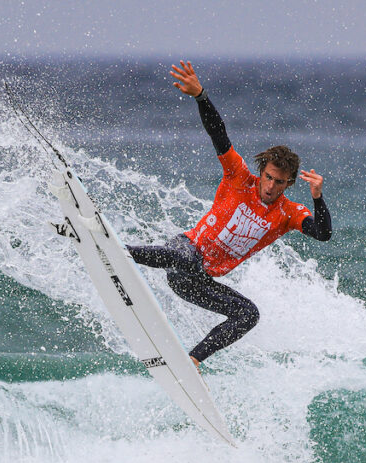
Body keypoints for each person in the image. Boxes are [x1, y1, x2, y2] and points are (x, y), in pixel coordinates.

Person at [127, 61, 332, 368]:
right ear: (262, 172)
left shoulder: (289, 213)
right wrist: (201, 96)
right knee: (187, 256)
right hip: (183, 250)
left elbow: (323, 233)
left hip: (196, 282)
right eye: (269, 178)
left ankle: (192, 361)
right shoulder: (239, 177)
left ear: (289, 184)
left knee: (249, 314)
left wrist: (317, 197)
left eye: (280, 182)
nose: (271, 186)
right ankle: (120, 253)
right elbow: (218, 133)